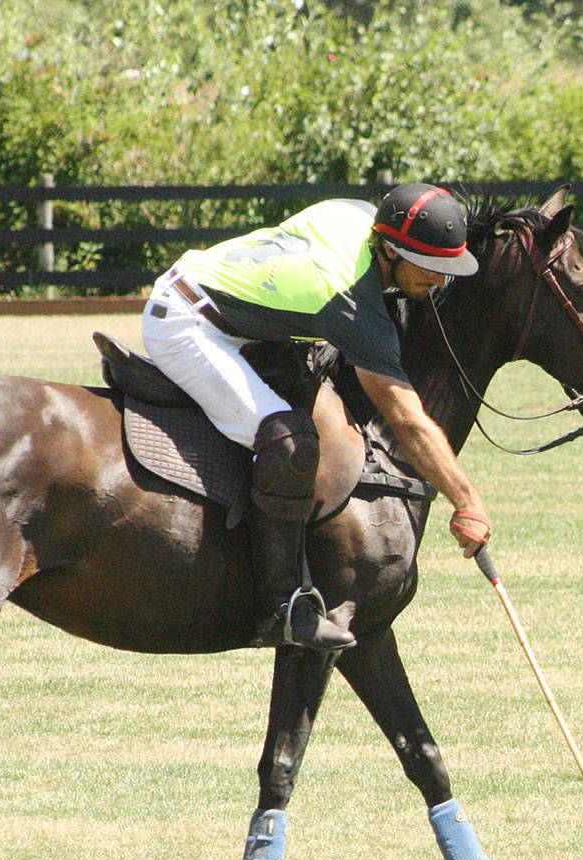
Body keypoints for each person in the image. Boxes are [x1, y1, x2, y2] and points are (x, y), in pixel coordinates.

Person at [140, 183, 493, 652]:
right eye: (431, 268)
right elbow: (406, 420)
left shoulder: (358, 213)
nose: (441, 282)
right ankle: (281, 606)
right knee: (290, 446)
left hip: (223, 305)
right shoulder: (347, 300)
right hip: (186, 325)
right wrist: (466, 499)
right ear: (391, 250)